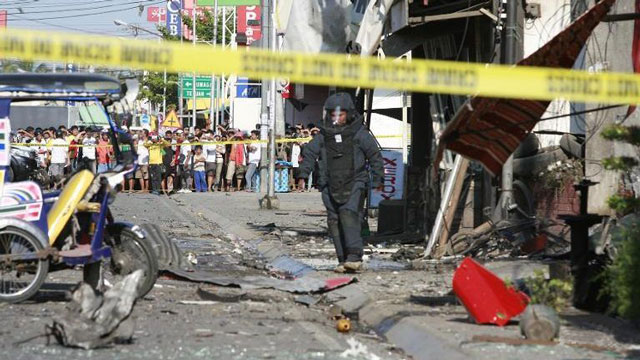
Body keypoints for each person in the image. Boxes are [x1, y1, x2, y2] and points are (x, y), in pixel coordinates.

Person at [298, 93, 384, 273]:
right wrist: (302, 175)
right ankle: (342, 259)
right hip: (329, 184)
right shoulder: (323, 136)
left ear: (349, 114)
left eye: (341, 114)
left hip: (355, 181)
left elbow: (375, 156)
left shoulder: (359, 134)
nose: (337, 118)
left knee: (348, 213)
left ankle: (354, 257)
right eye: (333, 114)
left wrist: (378, 179)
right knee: (334, 220)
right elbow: (309, 154)